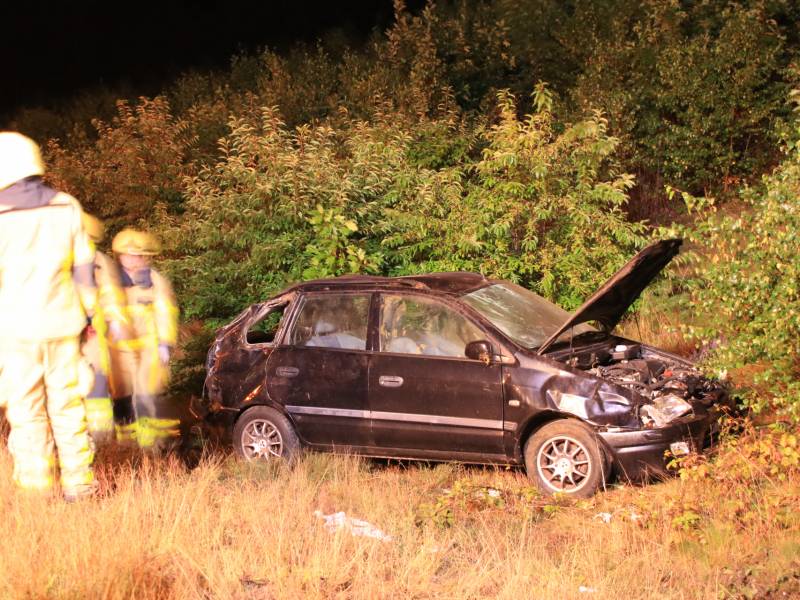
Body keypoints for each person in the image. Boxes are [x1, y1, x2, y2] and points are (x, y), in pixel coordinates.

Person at [0, 131, 97, 500]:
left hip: (16, 329)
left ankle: (38, 490)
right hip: (64, 324)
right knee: (68, 405)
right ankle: (79, 483)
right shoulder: (66, 206)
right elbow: (84, 266)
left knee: (26, 409)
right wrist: (89, 316)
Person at [109, 229, 180, 451]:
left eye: (137, 256)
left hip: (149, 348)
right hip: (119, 350)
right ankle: (126, 444)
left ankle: (150, 448)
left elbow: (165, 312)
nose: (132, 260)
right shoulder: (111, 280)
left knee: (145, 394)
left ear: (145, 257)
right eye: (127, 255)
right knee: (121, 396)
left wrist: (165, 343)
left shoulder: (155, 281)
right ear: (119, 256)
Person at [80, 212, 129, 444]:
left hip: (93, 340)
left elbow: (111, 297)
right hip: (63, 339)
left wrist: (115, 321)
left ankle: (100, 441)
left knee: (97, 390)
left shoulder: (100, 264)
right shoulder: (52, 260)